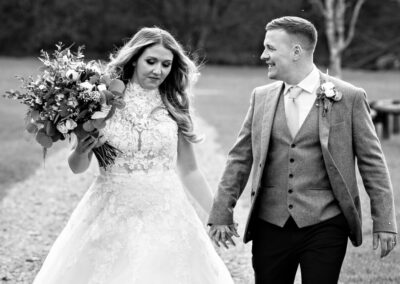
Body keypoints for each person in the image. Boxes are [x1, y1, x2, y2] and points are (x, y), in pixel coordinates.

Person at [33, 27, 234, 284]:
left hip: (166, 213)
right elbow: (77, 166)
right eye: (151, 61)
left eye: (166, 64)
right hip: (110, 210)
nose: (158, 70)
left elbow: (190, 170)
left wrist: (217, 215)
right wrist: (82, 150)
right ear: (135, 59)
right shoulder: (101, 100)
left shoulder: (175, 105)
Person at [208, 16, 397, 284]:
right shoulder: (260, 97)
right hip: (270, 224)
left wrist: (385, 222)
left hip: (326, 223)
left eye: (270, 48)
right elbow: (239, 158)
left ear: (296, 51)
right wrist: (221, 212)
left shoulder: (350, 97)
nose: (264, 55)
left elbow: (373, 164)